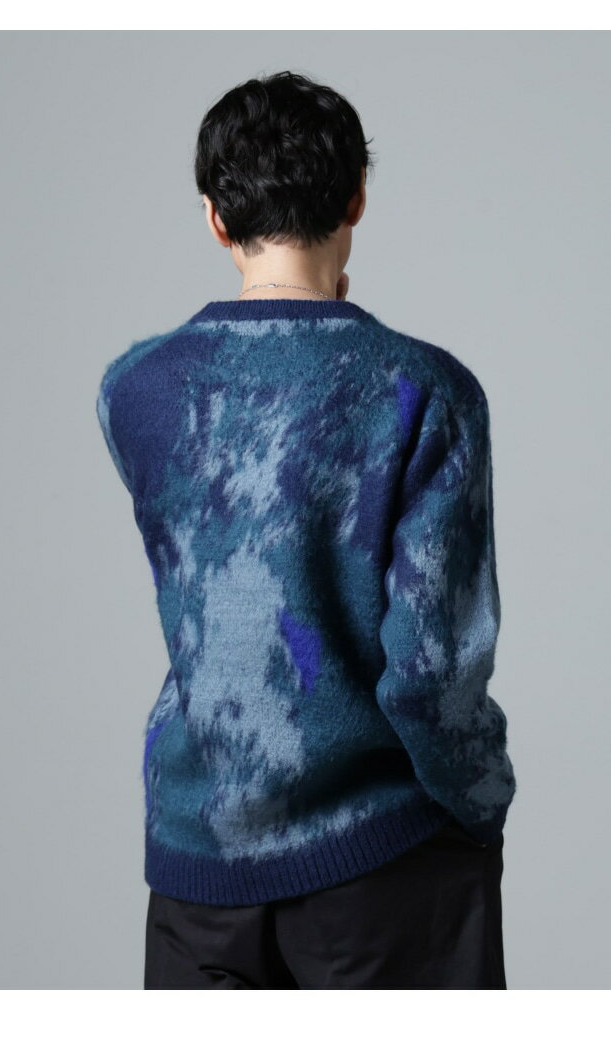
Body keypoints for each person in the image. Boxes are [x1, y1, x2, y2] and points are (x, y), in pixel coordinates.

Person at [95, 70, 517, 989]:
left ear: (216, 218)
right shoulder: (425, 392)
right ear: (357, 196)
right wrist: (481, 798)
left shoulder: (137, 390)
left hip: (198, 864)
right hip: (385, 864)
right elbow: (434, 667)